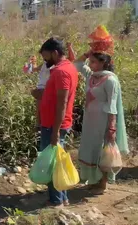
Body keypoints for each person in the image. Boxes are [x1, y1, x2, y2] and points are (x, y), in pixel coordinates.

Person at [73, 49, 129, 194]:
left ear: (103, 63)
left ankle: (102, 183)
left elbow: (112, 106)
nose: (89, 64)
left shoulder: (110, 80)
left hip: (103, 121)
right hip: (90, 121)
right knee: (90, 147)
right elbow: (77, 64)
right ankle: (93, 180)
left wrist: (111, 128)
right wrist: (87, 53)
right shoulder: (91, 76)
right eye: (90, 61)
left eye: (93, 62)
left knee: (102, 150)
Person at [38, 37, 78, 207]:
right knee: (57, 161)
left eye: (46, 56)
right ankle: (63, 197)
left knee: (52, 163)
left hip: (54, 126)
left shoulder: (62, 72)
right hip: (52, 124)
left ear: (55, 53)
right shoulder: (64, 68)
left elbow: (62, 103)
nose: (45, 60)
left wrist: (55, 132)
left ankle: (56, 202)